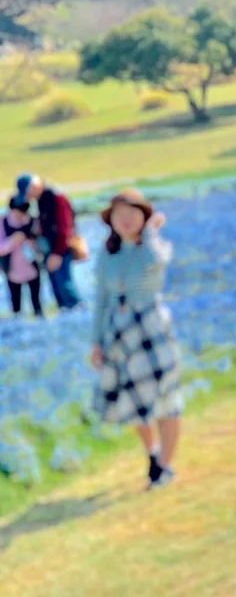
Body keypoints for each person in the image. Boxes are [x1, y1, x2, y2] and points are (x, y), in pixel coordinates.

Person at [90, 188, 184, 491]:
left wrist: (152, 233)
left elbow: (156, 262)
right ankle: (153, 455)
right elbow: (102, 299)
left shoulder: (153, 247)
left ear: (144, 216)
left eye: (132, 214)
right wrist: (96, 342)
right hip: (118, 333)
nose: (126, 220)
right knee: (132, 400)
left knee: (166, 398)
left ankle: (166, 467)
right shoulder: (108, 255)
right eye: (119, 215)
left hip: (151, 329)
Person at [16, 173, 82, 310]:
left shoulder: (57, 198)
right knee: (58, 290)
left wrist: (57, 254)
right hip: (51, 251)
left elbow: (65, 228)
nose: (29, 197)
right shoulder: (41, 200)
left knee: (65, 287)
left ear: (34, 186)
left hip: (60, 250)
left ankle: (78, 316)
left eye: (28, 192)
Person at [2, 197, 42, 318]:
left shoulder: (32, 221)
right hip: (12, 269)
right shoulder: (3, 222)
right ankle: (17, 324)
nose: (20, 215)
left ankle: (39, 321)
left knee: (36, 300)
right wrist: (13, 241)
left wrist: (32, 243)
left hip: (32, 267)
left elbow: (41, 242)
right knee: (16, 302)